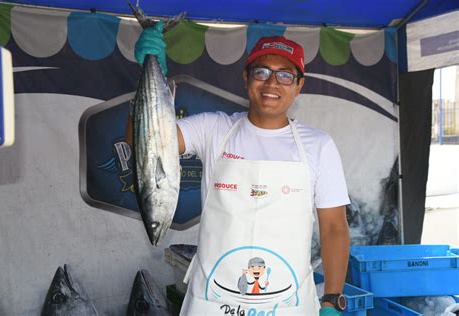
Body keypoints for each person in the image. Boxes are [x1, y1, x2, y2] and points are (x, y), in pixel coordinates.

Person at [132, 21, 350, 316]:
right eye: (262, 72)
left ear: (299, 86)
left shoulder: (319, 146)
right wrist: (148, 73)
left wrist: (332, 299)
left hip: (287, 304)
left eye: (285, 75)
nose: (272, 83)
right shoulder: (213, 129)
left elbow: (335, 227)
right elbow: (143, 142)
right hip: (212, 301)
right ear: (246, 78)